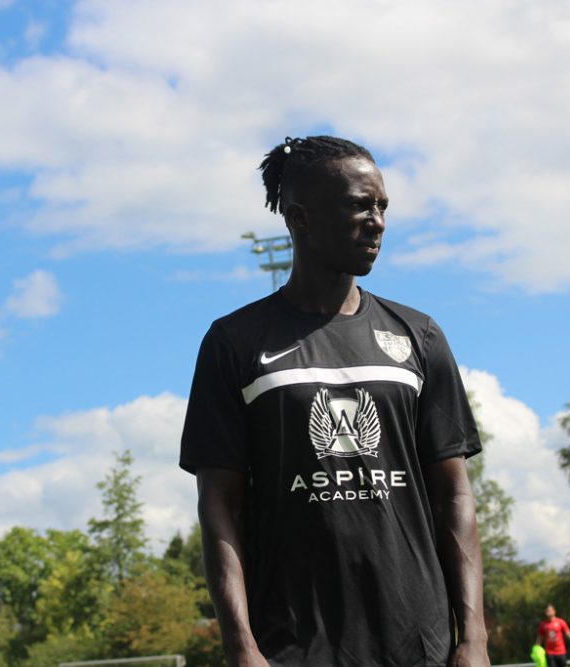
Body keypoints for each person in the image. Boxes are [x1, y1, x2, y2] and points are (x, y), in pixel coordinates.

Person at [179, 135, 489, 667]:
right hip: (291, 648)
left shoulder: (420, 336)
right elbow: (219, 505)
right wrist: (240, 645)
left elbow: (453, 497)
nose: (378, 222)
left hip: (421, 648)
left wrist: (473, 640)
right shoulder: (235, 342)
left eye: (382, 206)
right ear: (299, 218)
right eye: (358, 204)